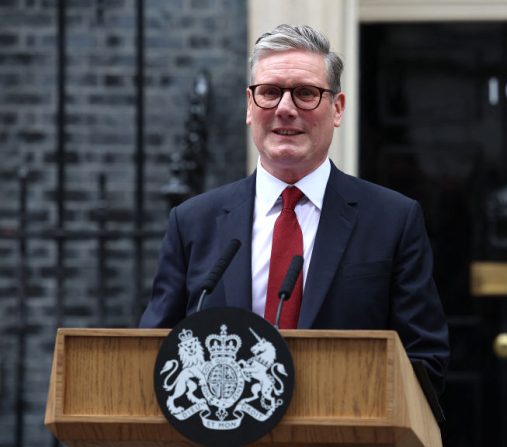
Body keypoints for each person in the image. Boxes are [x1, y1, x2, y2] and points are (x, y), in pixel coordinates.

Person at [139, 24, 449, 394]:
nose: (285, 109)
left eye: (305, 93)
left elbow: (424, 360)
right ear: (249, 107)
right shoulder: (192, 222)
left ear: (337, 108)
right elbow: (152, 352)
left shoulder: (393, 220)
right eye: (269, 93)